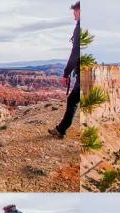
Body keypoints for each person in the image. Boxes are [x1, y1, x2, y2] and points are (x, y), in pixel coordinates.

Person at [49, 1, 80, 139]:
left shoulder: (80, 28)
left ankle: (61, 130)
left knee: (73, 100)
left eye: (75, 13)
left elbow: (75, 53)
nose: (74, 17)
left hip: (85, 72)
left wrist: (66, 73)